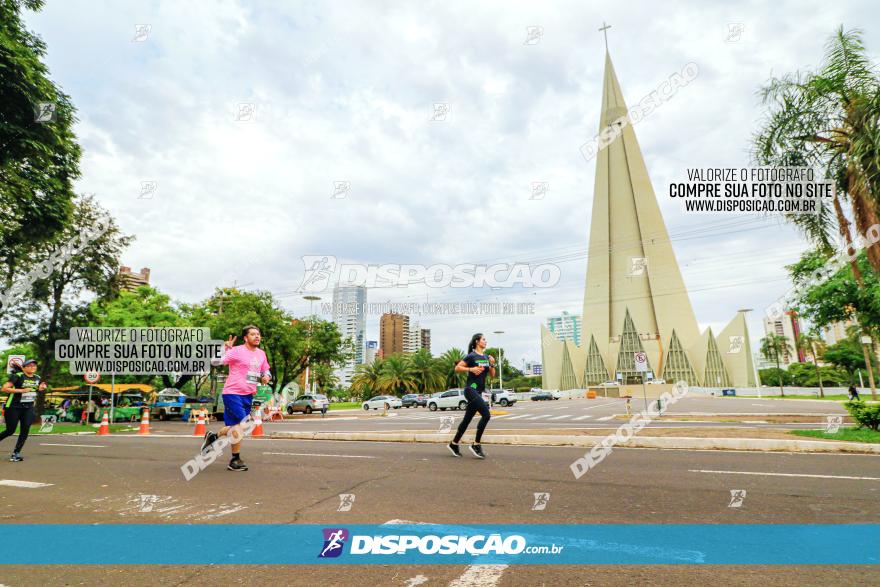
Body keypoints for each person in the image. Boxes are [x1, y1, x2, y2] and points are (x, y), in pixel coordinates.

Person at [200, 325, 271, 471]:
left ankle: (220, 443)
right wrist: (224, 348)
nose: (257, 336)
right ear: (246, 338)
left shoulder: (261, 354)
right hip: (232, 393)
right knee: (243, 424)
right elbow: (215, 362)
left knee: (235, 427)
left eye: (258, 334)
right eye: (253, 334)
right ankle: (231, 455)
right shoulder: (237, 351)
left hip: (248, 394)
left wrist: (266, 376)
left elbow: (266, 370)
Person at [448, 333, 496, 459]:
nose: (486, 341)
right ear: (477, 342)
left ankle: (454, 443)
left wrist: (491, 364)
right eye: (483, 339)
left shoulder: (486, 357)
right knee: (486, 415)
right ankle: (476, 444)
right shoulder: (471, 356)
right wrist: (471, 369)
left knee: (467, 420)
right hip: (470, 390)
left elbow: (492, 375)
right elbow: (457, 368)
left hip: (478, 392)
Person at [0, 359, 48, 461]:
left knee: (25, 430)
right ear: (24, 367)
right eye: (30, 365)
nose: (33, 367)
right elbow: (4, 388)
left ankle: (16, 454)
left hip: (28, 408)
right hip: (13, 407)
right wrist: (21, 390)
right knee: (10, 430)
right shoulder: (18, 376)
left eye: (34, 366)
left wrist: (41, 388)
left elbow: (36, 389)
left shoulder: (37, 378)